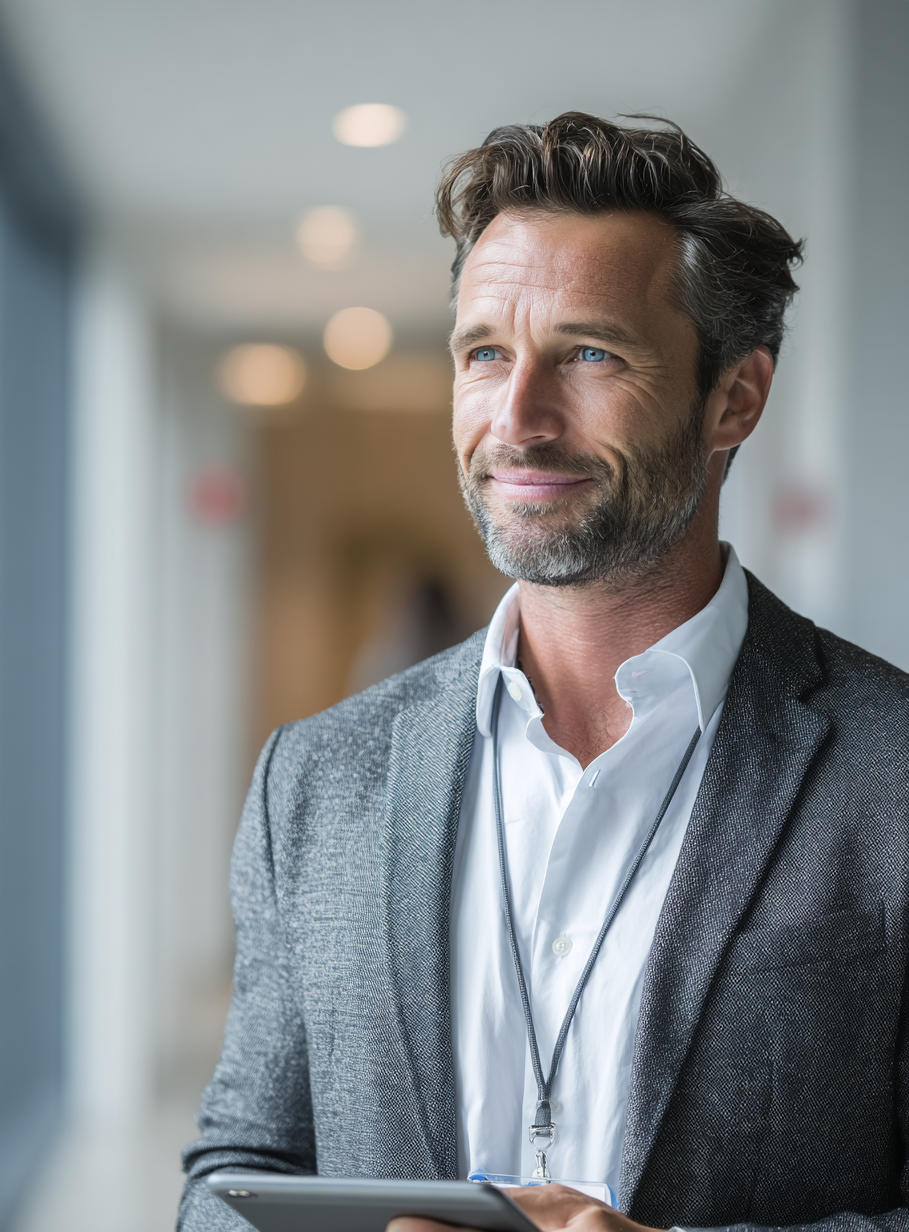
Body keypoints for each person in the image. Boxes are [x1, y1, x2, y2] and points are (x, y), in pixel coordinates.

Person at [178, 114, 909, 1232]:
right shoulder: (317, 781)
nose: (515, 419)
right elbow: (231, 1172)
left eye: (589, 353)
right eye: (483, 353)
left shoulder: (890, 768)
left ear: (735, 397)